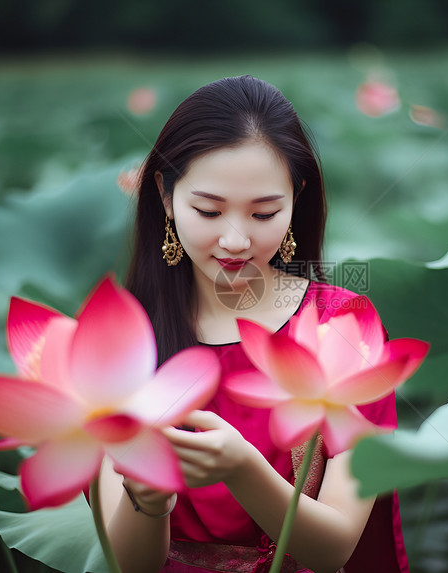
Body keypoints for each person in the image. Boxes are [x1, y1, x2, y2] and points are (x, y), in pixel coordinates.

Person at [99, 75, 408, 573]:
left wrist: (244, 469)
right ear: (164, 194)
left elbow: (335, 550)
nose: (236, 240)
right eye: (208, 210)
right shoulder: (117, 339)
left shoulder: (343, 326)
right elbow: (125, 566)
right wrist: (149, 501)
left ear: (296, 198)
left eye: (264, 214)